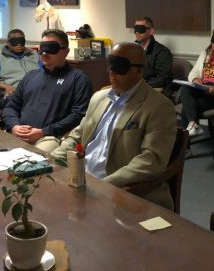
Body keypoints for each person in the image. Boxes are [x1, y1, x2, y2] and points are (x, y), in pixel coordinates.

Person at [51, 43, 178, 210]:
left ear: (139, 71)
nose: (112, 72)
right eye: (110, 66)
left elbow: (151, 160)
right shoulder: (99, 97)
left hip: (123, 192)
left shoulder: (159, 107)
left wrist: (103, 185)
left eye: (120, 67)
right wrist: (50, 160)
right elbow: (78, 136)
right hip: (81, 180)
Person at [2, 29, 92, 153]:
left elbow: (78, 115)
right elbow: (11, 106)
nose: (44, 53)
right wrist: (14, 126)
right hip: (18, 134)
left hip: (49, 138)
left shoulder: (78, 79)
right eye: (42, 48)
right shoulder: (30, 76)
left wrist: (43, 132)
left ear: (66, 52)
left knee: (30, 162)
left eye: (52, 49)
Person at [0, 28, 41, 102]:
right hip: (13, 93)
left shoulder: (34, 54)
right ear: (8, 43)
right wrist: (6, 87)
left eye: (21, 41)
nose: (19, 44)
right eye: (15, 41)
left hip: (37, 91)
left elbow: (46, 73)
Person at [134, 17, 173, 90]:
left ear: (151, 31)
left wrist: (140, 86)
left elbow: (162, 79)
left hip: (153, 88)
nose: (137, 32)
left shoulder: (162, 52)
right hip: (133, 87)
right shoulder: (131, 49)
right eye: (136, 29)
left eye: (140, 29)